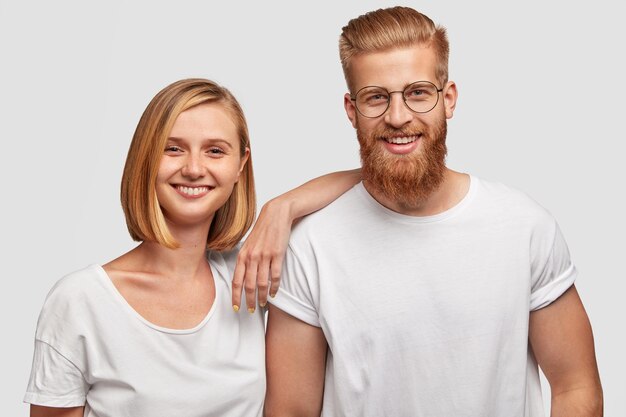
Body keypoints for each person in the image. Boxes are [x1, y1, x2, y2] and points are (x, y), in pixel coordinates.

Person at [265, 6, 603, 417]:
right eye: (375, 97)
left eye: (418, 92)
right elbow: (291, 411)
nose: (398, 116)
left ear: (449, 99)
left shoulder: (524, 227)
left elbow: (575, 386)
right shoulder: (309, 247)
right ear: (352, 110)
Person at [24, 78, 360, 417]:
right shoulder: (80, 300)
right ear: (145, 157)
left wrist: (282, 207)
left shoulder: (249, 274)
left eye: (215, 150)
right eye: (173, 148)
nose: (194, 169)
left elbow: (371, 177)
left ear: (241, 165)